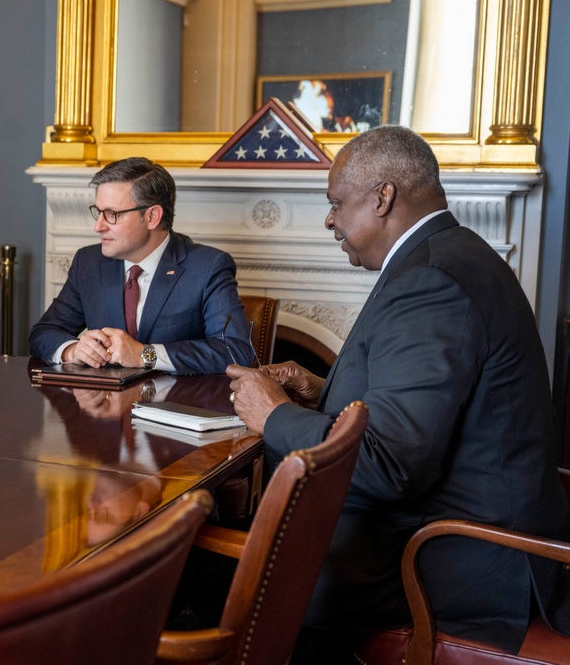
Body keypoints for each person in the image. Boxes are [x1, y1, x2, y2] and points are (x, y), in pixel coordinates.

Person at [227, 126, 570, 660]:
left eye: (337, 203)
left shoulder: (428, 280)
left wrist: (271, 415)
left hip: (457, 559)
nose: (329, 219)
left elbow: (389, 463)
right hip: (460, 524)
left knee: (235, 568)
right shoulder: (451, 254)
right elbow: (436, 408)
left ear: (382, 197)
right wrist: (322, 391)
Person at [29, 157, 254, 375]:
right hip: (105, 407)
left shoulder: (207, 267)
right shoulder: (88, 263)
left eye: (112, 214)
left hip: (174, 406)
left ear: (152, 217)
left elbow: (235, 350)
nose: (98, 226)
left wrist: (145, 354)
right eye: (98, 212)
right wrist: (72, 350)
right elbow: (43, 333)